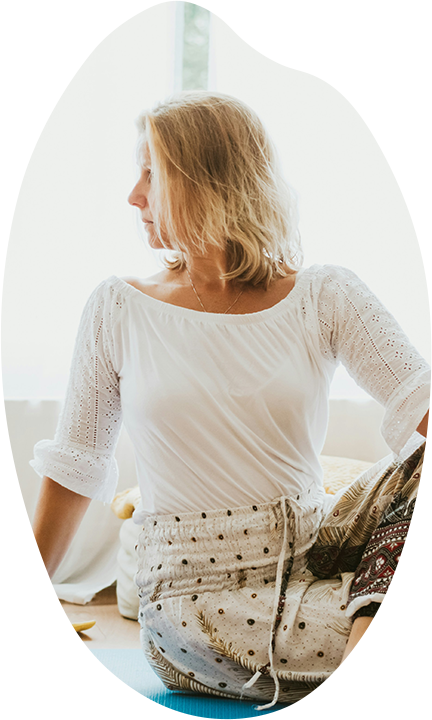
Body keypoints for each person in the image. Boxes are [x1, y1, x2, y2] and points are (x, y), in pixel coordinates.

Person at [2, 91, 432, 718]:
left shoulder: (326, 294)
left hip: (316, 540)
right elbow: (76, 464)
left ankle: (373, 660)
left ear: (210, 180)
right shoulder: (118, 307)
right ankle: (376, 665)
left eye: (151, 173)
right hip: (199, 597)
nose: (134, 196)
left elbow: (421, 402)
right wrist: (15, 605)